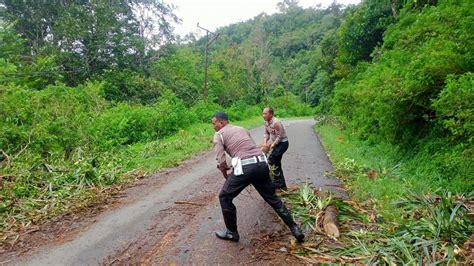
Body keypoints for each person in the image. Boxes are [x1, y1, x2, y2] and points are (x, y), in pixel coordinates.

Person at [211, 112, 304, 243]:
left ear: (221, 122)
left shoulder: (219, 135)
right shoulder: (242, 129)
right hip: (261, 163)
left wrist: (226, 175)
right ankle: (295, 228)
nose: (213, 126)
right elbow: (253, 147)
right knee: (273, 198)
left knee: (224, 197)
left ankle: (232, 233)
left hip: (245, 168)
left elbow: (221, 161)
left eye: (214, 123)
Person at [262, 107, 289, 190]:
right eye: (263, 113)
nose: (263, 115)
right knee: (276, 163)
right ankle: (281, 184)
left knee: (271, 160)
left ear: (271, 114)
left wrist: (272, 145)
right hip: (276, 144)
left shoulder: (276, 123)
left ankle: (277, 183)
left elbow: (279, 137)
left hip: (282, 144)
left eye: (265, 113)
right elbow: (266, 133)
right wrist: (265, 142)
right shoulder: (266, 123)